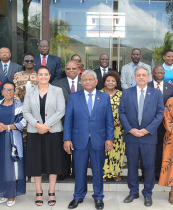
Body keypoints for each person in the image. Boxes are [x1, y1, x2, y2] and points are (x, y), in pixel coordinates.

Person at [63, 70, 114, 209]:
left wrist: (110, 138)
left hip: (99, 139)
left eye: (91, 79)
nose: (88, 82)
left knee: (98, 170)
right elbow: (68, 120)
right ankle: (78, 197)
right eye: (85, 79)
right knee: (79, 170)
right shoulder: (74, 97)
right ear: (81, 82)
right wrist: (66, 139)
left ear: (96, 82)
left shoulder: (104, 97)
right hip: (79, 139)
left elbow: (109, 120)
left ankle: (98, 197)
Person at [119, 66, 164, 207]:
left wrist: (147, 130)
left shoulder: (156, 94)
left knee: (149, 166)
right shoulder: (126, 93)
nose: (141, 77)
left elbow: (160, 113)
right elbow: (122, 113)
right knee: (132, 165)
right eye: (138, 75)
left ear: (149, 77)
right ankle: (133, 192)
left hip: (148, 137)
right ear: (134, 77)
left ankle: (147, 193)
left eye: (144, 75)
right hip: (131, 136)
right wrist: (130, 129)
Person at [23, 66, 65, 206]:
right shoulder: (30, 91)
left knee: (53, 161)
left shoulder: (57, 90)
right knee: (36, 162)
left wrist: (46, 126)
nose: (43, 76)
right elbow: (26, 111)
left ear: (49, 75)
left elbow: (61, 111)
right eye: (40, 74)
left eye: (45, 74)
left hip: (53, 131)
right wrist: (37, 125)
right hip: (35, 132)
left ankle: (51, 191)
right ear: (36, 76)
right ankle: (39, 191)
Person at [0, 82, 26, 207]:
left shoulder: (19, 105)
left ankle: (11, 193)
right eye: (6, 89)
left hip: (13, 140)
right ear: (2, 92)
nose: (9, 92)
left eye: (11, 90)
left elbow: (22, 123)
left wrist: (6, 127)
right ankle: (3, 191)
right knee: (1, 166)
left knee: (13, 167)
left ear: (14, 91)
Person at [52, 61, 83, 181]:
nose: (71, 71)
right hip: (61, 120)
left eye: (74, 68)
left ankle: (77, 172)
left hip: (81, 121)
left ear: (79, 70)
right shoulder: (56, 84)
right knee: (63, 147)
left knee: (79, 147)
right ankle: (63, 171)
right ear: (65, 70)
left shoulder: (85, 83)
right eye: (69, 68)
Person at [147, 65, 173, 178]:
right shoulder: (147, 86)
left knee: (161, 148)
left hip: (164, 123)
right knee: (149, 148)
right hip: (149, 123)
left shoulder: (171, 87)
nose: (159, 75)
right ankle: (147, 172)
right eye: (157, 73)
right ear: (152, 74)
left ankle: (159, 172)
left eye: (162, 73)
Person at [100, 71, 125, 182]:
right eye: (108, 80)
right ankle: (104, 173)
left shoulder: (122, 94)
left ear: (116, 83)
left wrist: (118, 122)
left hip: (118, 128)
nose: (110, 82)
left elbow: (126, 111)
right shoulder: (98, 94)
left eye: (113, 81)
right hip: (101, 128)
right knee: (103, 150)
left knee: (116, 150)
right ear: (104, 82)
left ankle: (115, 172)